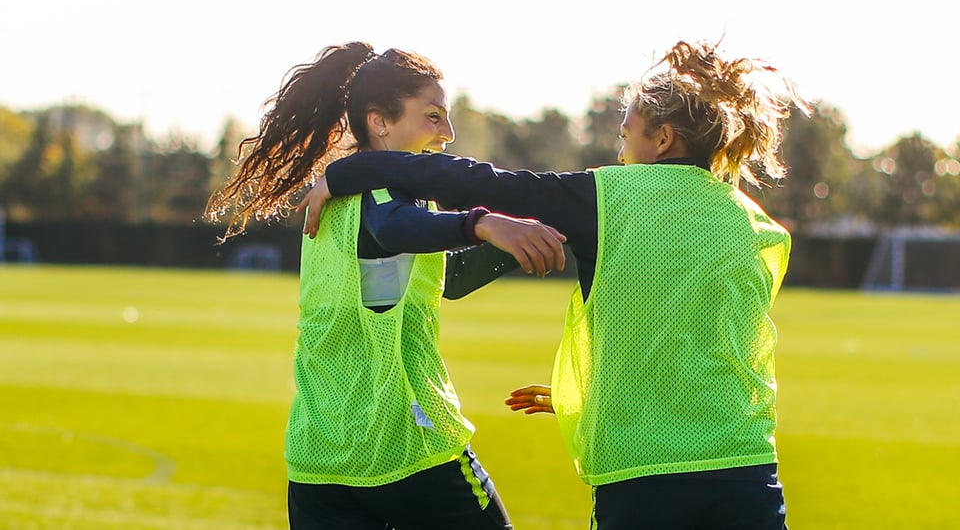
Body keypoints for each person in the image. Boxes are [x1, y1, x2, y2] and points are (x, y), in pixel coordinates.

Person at [296, 39, 811, 529]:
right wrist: (583, 395)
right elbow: (698, 347)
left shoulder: (606, 197)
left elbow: (469, 182)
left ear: (663, 138)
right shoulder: (760, 227)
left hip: (639, 475)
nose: (621, 150)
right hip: (748, 468)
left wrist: (345, 174)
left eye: (625, 135)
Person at [205, 41, 567, 530]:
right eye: (433, 116)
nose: (447, 133)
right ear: (380, 121)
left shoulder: (342, 193)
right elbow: (392, 228)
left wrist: (525, 239)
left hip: (320, 452)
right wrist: (481, 224)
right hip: (401, 439)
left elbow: (442, 278)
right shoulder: (381, 193)